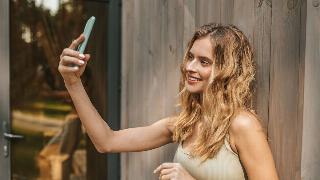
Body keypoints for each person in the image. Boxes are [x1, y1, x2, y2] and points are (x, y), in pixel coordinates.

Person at [58, 23, 279, 180]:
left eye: (204, 61)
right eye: (191, 57)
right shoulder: (185, 124)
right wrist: (72, 83)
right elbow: (106, 141)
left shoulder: (242, 125)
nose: (190, 67)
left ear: (227, 70)